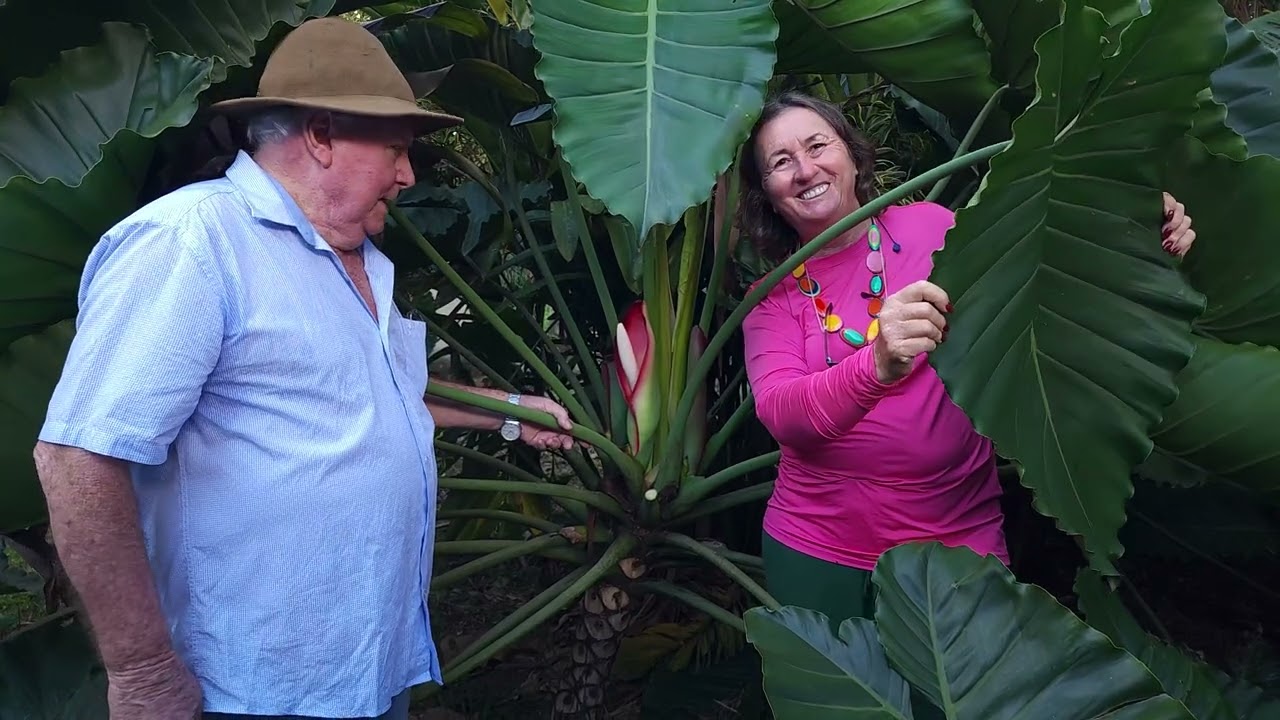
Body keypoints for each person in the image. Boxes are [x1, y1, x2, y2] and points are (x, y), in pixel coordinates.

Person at [32, 17, 575, 720]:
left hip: (365, 666)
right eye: (397, 150)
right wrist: (142, 672)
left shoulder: (361, 262)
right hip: (250, 687)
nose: (409, 175)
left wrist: (510, 412)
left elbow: (374, 394)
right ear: (320, 135)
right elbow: (77, 457)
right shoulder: (193, 242)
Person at [738, 91, 1196, 632]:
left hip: (957, 543)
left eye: (818, 146)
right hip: (819, 549)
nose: (805, 169)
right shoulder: (773, 299)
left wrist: (1138, 230)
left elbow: (1039, 273)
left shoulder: (933, 229)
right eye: (781, 162)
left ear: (853, 155)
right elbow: (783, 413)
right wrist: (877, 363)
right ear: (766, 194)